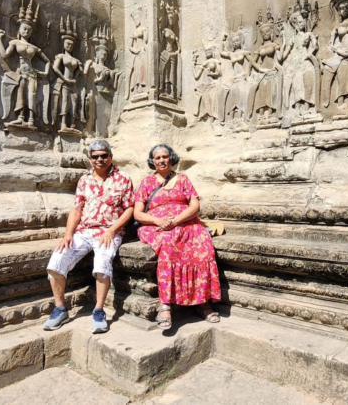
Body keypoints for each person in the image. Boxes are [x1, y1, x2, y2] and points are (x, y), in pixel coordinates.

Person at [43, 140, 134, 333]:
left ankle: (99, 311)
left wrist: (112, 229)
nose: (100, 159)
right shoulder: (84, 180)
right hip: (84, 231)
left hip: (109, 232)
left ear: (110, 156)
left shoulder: (123, 178)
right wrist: (68, 234)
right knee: (57, 260)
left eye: (104, 155)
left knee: (102, 263)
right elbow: (77, 209)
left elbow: (129, 209)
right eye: (96, 156)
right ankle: (60, 308)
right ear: (90, 159)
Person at [133, 144, 221, 329]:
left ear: (171, 158)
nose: (162, 160)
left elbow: (195, 206)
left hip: (185, 222)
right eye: (157, 158)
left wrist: (175, 221)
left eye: (165, 156)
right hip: (157, 226)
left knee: (202, 245)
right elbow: (138, 214)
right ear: (152, 161)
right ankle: (165, 305)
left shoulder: (183, 179)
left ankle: (203, 302)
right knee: (168, 245)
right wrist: (159, 221)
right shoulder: (147, 183)